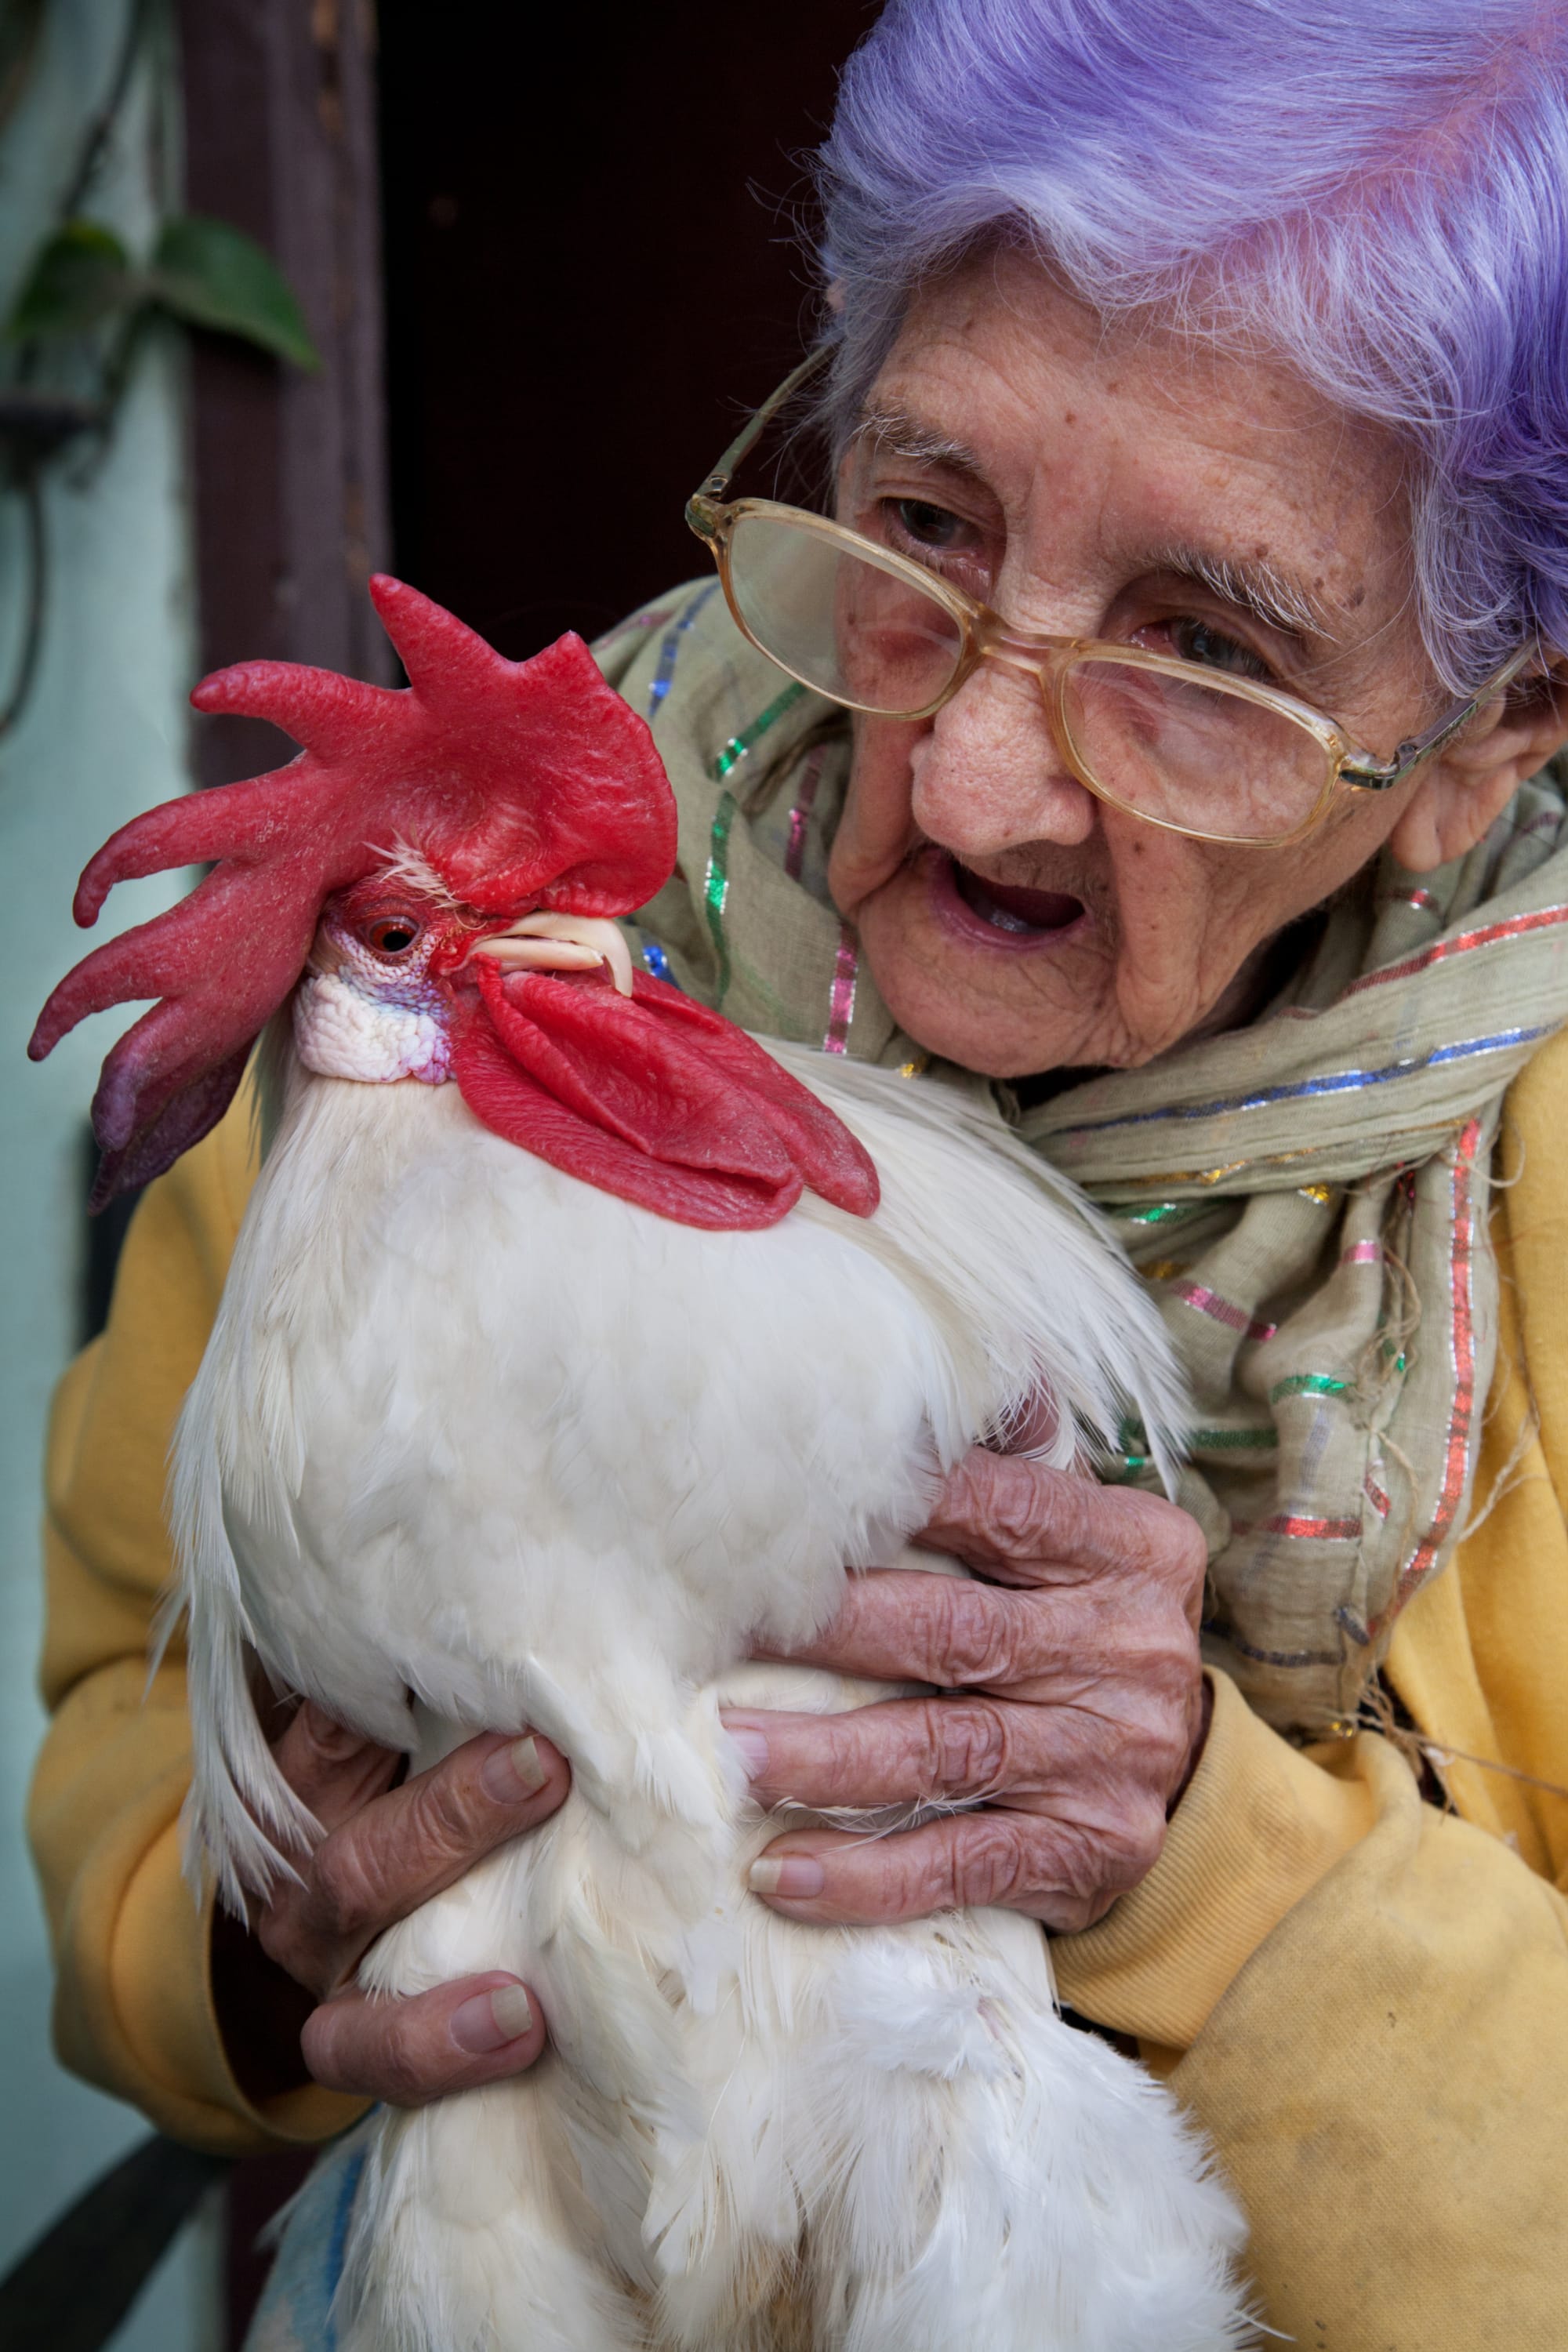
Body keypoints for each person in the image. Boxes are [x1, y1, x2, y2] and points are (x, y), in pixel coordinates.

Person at [31, 2, 1568, 2341]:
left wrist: (1210, 1862)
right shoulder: (486, 985)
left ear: (1492, 738)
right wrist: (272, 1924)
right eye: (924, 523)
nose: (961, 781)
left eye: (1202, 647)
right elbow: (125, 1739)